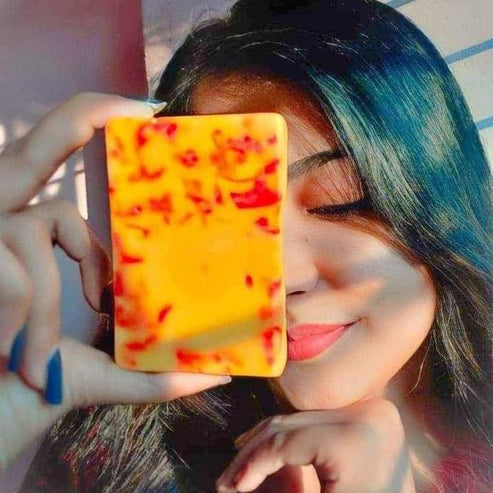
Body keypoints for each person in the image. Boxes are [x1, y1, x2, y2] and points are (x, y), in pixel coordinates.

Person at [1, 0, 491, 491]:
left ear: (439, 194)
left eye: (338, 201)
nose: (283, 276)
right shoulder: (123, 464)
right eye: (226, 222)